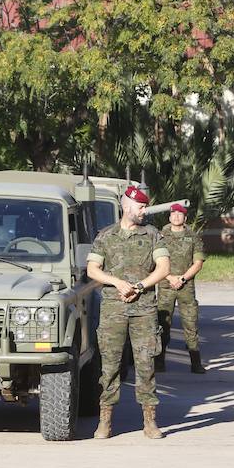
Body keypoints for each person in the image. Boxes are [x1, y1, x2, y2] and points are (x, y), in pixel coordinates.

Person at [87, 186, 171, 440]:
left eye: (145, 207)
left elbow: (164, 268)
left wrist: (140, 286)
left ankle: (150, 421)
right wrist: (116, 282)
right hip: (114, 309)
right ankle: (105, 421)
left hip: (144, 309)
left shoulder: (153, 234)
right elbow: (92, 269)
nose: (144, 211)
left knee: (146, 364)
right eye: (141, 207)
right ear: (127, 207)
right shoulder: (106, 236)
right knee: (109, 365)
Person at [156, 203, 207, 374]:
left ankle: (195, 363)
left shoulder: (193, 237)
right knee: (163, 324)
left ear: (185, 218)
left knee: (191, 324)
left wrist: (183, 278)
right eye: (173, 214)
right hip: (165, 284)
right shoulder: (160, 236)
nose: (176, 217)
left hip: (186, 287)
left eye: (180, 214)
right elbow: (154, 262)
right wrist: (169, 277)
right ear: (169, 217)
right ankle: (159, 361)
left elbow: (198, 263)